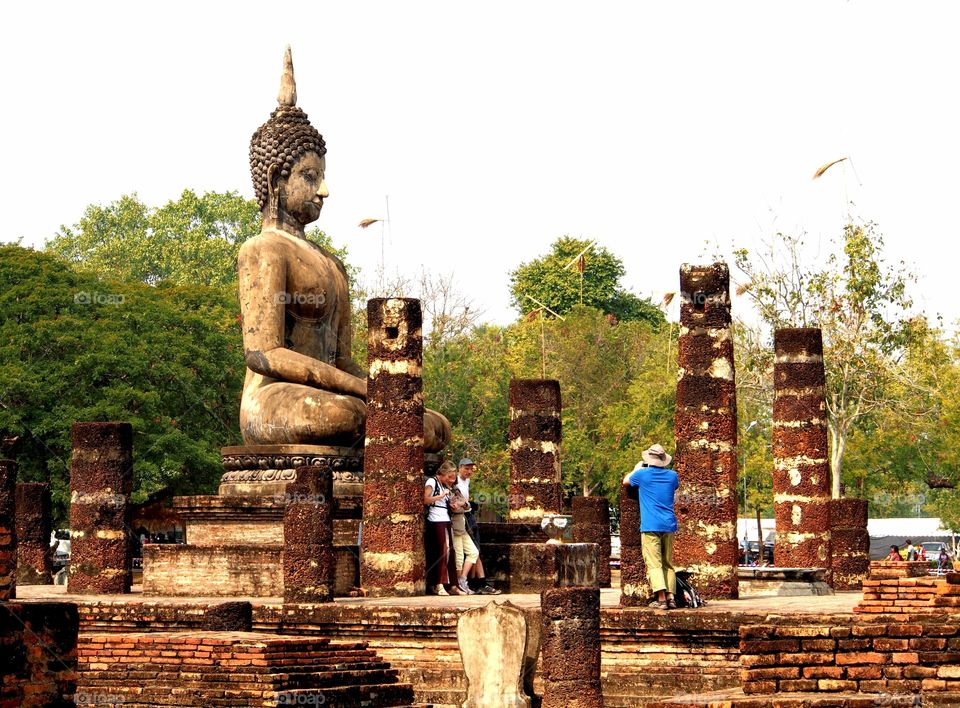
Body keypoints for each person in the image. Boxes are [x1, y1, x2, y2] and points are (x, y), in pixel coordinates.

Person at [238, 47, 451, 451]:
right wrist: (359, 390)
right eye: (309, 176)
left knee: (432, 427)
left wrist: (382, 389)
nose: (324, 189)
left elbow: (342, 357)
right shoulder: (263, 250)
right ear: (274, 181)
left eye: (322, 176)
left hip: (332, 393)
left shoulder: (331, 263)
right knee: (345, 415)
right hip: (274, 398)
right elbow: (263, 353)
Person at [623, 444, 679, 610]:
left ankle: (661, 599)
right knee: (668, 562)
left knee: (654, 563)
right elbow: (673, 486)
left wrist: (636, 468)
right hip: (669, 524)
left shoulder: (642, 474)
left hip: (650, 525)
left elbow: (626, 481)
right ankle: (671, 597)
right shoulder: (672, 476)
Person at [455, 458, 500, 595]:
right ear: (459, 468)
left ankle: (477, 582)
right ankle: (478, 583)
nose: (469, 472)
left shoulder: (467, 481)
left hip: (469, 515)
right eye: (466, 469)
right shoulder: (455, 483)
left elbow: (466, 502)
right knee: (473, 550)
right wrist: (467, 505)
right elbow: (462, 503)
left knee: (475, 550)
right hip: (462, 517)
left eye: (471, 469)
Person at [423, 463, 464, 595]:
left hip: (445, 518)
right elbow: (425, 499)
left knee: (450, 551)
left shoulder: (444, 485)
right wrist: (440, 496)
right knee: (443, 550)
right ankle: (438, 583)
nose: (450, 480)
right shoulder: (432, 481)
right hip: (435, 519)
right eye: (449, 477)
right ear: (442, 474)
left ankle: (453, 585)